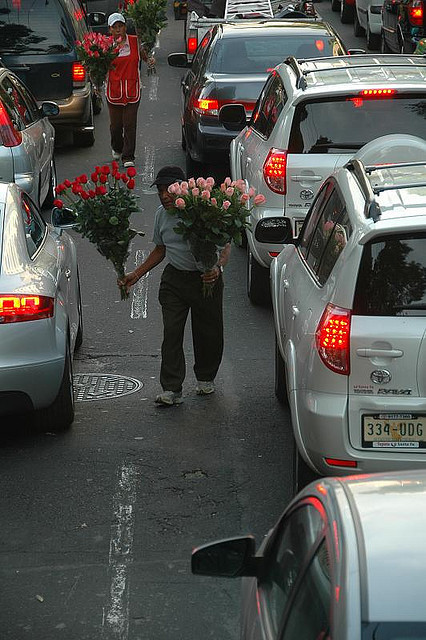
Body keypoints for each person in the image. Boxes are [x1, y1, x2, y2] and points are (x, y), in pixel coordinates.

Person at [118, 165, 231, 407]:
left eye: (168, 189)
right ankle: (171, 388)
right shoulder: (161, 215)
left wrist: (215, 269)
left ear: (183, 188)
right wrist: (136, 275)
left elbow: (225, 245)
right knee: (171, 332)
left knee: (208, 332)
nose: (164, 195)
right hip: (175, 280)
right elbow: (161, 249)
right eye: (160, 190)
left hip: (205, 280)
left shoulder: (204, 210)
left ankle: (205, 376)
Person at [106, 13, 148, 168]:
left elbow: (144, 56)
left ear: (125, 27)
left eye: (120, 26)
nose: (118, 30)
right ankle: (117, 147)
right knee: (116, 126)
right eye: (114, 27)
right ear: (109, 29)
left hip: (132, 89)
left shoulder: (135, 41)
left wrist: (149, 59)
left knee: (129, 124)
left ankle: (128, 155)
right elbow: (99, 66)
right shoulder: (105, 45)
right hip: (114, 90)